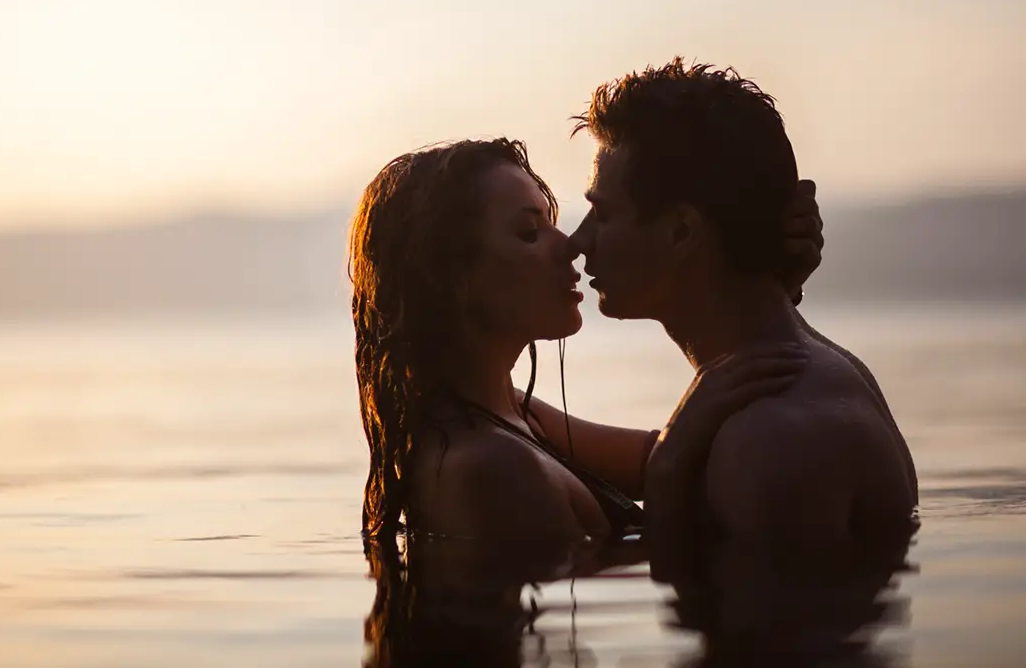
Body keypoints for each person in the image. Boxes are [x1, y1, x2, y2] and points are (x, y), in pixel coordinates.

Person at [566, 57, 919, 659]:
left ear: (681, 234)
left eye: (602, 212)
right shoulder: (801, 375)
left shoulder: (771, 437)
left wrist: (672, 475)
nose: (578, 242)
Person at [347, 134, 822, 563]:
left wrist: (763, 282)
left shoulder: (517, 416)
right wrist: (677, 455)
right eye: (529, 233)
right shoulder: (490, 468)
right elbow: (673, 573)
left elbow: (664, 458)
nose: (569, 246)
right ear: (454, 282)